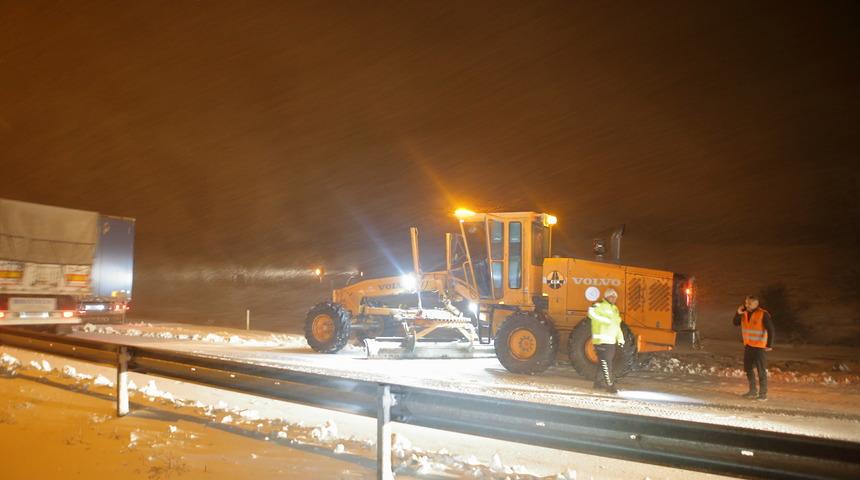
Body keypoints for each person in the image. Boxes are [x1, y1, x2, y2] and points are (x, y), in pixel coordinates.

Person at [733, 295, 775, 401]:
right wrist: (738, 313)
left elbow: (771, 330)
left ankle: (763, 394)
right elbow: (735, 323)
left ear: (756, 304)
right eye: (746, 303)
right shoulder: (744, 313)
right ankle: (752, 391)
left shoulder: (763, 314)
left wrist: (769, 345)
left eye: (749, 303)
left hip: (759, 347)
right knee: (748, 369)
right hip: (748, 346)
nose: (746, 305)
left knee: (761, 371)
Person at [588, 288, 625, 394]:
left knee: (603, 362)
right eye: (612, 296)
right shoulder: (599, 305)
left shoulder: (614, 309)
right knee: (606, 363)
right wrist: (604, 320)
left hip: (611, 341)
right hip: (601, 340)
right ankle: (610, 386)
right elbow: (591, 313)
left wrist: (620, 339)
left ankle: (598, 383)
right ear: (607, 296)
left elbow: (617, 326)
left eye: (615, 297)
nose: (613, 298)